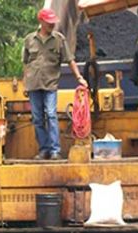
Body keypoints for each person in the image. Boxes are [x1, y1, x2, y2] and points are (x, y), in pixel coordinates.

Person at [22, 8, 87, 160]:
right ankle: (44, 150)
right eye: (49, 22)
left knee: (51, 115)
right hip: (33, 85)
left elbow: (70, 59)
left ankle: (55, 150)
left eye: (53, 22)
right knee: (37, 118)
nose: (52, 25)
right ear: (41, 21)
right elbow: (26, 63)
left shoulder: (59, 39)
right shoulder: (29, 40)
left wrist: (79, 78)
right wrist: (24, 83)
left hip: (50, 84)